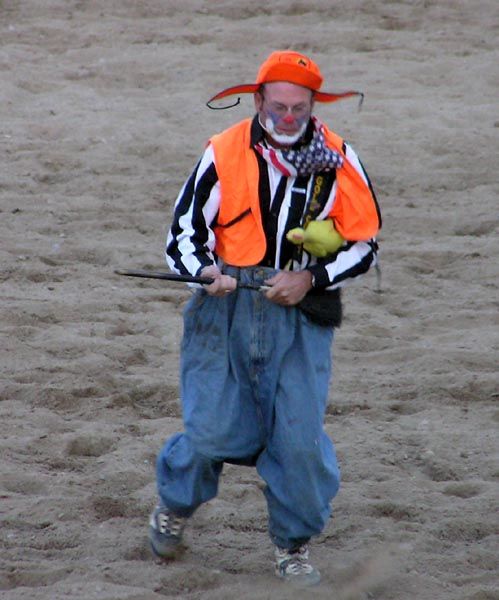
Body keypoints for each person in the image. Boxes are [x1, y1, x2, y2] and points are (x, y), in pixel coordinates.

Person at [149, 50, 381, 587]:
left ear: (313, 105)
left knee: (297, 442)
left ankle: (293, 546)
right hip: (222, 311)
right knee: (209, 433)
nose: (288, 118)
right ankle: (175, 507)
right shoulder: (222, 151)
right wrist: (205, 273)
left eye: (299, 107)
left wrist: (309, 279)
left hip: (303, 318)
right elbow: (183, 233)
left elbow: (365, 246)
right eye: (278, 105)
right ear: (258, 100)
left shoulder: (342, 158)